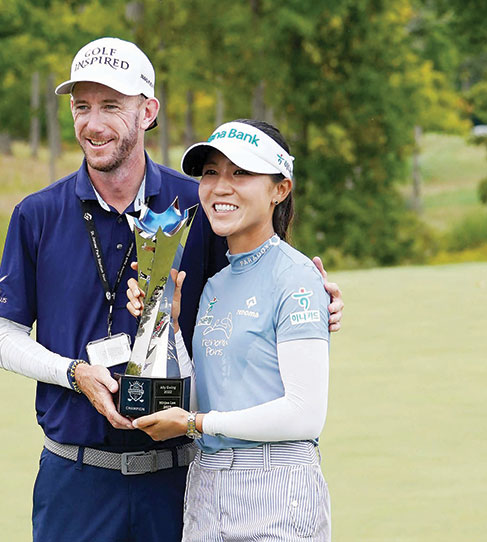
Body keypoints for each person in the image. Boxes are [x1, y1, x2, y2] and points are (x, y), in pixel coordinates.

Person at [0, 37, 343, 542]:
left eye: (111, 106)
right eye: (81, 106)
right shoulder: (37, 214)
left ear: (147, 111)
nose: (93, 123)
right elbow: (4, 340)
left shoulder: (198, 202)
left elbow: (258, 279)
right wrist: (74, 373)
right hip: (75, 476)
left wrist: (314, 296)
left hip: (178, 477)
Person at [127, 119, 333, 541]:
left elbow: (304, 413)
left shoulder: (296, 276)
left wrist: (195, 424)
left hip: (277, 487)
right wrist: (165, 319)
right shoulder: (217, 284)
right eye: (211, 173)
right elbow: (210, 393)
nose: (221, 187)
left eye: (241, 173)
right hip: (207, 488)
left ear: (280, 189)